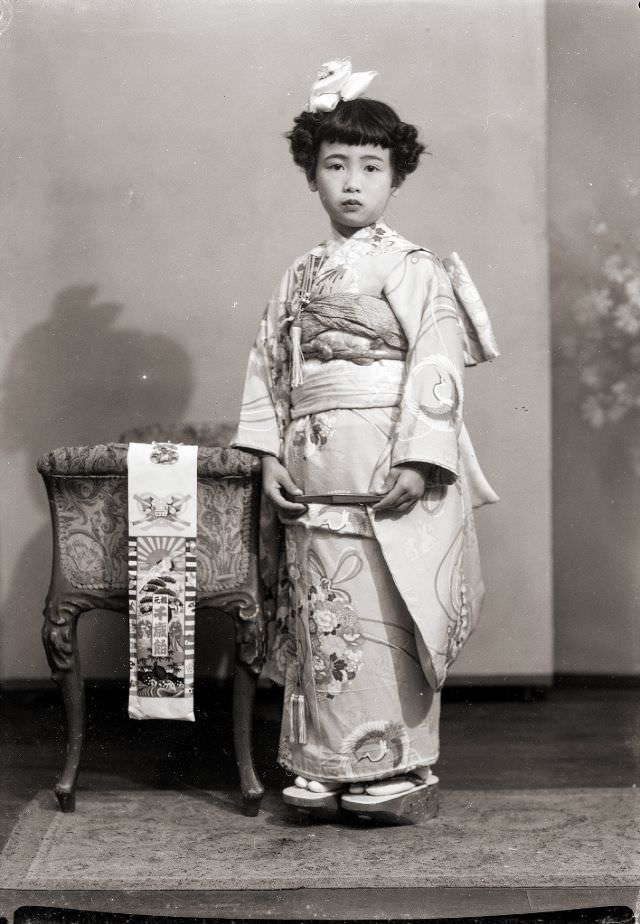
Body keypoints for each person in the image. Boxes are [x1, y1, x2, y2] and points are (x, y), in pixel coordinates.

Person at [232, 60, 499, 824]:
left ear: (396, 177)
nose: (352, 182)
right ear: (312, 174)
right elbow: (270, 367)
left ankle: (391, 766)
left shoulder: (410, 266)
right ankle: (322, 762)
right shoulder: (301, 274)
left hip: (386, 456)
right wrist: (271, 455)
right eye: (335, 165)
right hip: (315, 461)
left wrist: (421, 457)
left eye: (371, 167)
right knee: (324, 606)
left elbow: (438, 361)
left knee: (385, 606)